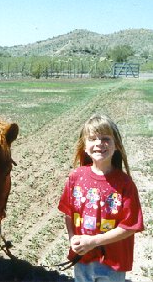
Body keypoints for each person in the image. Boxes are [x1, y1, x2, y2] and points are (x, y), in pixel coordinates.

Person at [58, 114, 144, 282]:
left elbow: (129, 226)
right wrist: (72, 238)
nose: (99, 143)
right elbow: (69, 213)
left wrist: (94, 241)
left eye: (105, 138)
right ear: (84, 146)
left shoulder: (125, 184)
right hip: (82, 259)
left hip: (112, 263)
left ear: (116, 145)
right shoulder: (75, 177)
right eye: (92, 139)